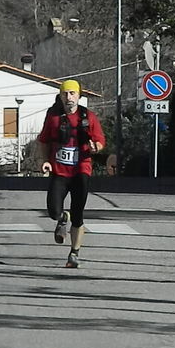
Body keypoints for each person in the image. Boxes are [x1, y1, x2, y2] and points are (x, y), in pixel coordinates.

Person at [37, 80, 105, 268]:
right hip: (59, 171)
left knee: (78, 214)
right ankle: (61, 218)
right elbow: (43, 141)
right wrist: (45, 161)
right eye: (65, 94)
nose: (69, 98)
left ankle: (74, 253)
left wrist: (95, 147)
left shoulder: (88, 117)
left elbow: (100, 141)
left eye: (72, 93)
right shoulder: (53, 117)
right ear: (60, 96)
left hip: (81, 170)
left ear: (79, 96)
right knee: (52, 210)